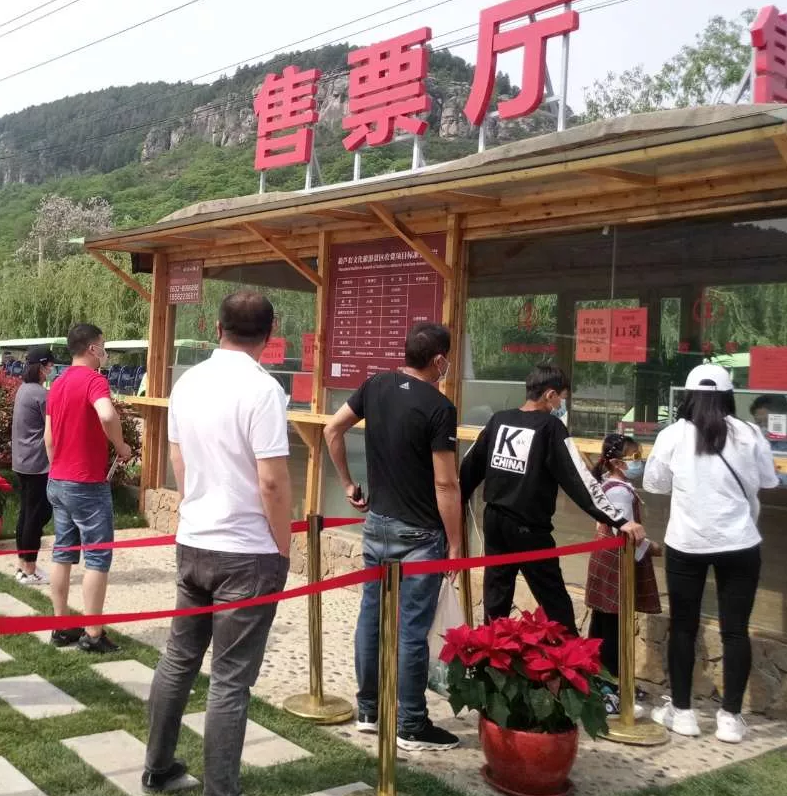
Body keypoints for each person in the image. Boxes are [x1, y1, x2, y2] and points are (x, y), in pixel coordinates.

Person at [143, 292, 292, 796]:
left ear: (216, 327)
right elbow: (272, 482)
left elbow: (179, 460)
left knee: (178, 658)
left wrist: (196, 510)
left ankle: (158, 767)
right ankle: (220, 789)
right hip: (248, 549)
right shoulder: (263, 389)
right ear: (269, 334)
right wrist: (283, 546)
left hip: (195, 538)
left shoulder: (188, 382)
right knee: (230, 679)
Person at [324, 322, 462, 752]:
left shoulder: (375, 386)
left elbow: (332, 430)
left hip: (377, 524)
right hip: (421, 535)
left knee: (371, 617)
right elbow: (446, 484)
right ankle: (411, 723)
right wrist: (456, 542)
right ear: (439, 360)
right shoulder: (440, 408)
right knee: (411, 630)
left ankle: (369, 710)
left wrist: (348, 484)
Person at [644, 364, 779, 743]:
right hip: (740, 544)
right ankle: (730, 718)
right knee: (736, 630)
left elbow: (654, 484)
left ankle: (683, 712)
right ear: (728, 396)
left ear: (688, 396)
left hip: (687, 543)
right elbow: (768, 480)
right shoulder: (750, 433)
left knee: (683, 627)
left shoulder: (673, 435)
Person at [460, 364, 645, 635]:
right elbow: (578, 478)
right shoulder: (550, 427)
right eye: (561, 399)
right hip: (529, 529)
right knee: (555, 602)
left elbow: (469, 467)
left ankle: (490, 655)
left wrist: (454, 503)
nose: (561, 405)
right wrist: (618, 520)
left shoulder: (499, 420)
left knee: (496, 599)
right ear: (549, 395)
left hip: (495, 521)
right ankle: (571, 657)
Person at [45, 324, 132, 653]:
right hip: (87, 484)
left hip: (58, 480)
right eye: (103, 346)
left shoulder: (58, 382)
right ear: (92, 349)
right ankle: (93, 634)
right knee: (97, 557)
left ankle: (60, 626)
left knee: (62, 552)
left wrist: (57, 468)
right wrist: (121, 446)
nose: (105, 352)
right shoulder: (94, 381)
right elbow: (107, 415)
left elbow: (49, 438)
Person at [585, 433, 662, 717]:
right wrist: (651, 547)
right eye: (635, 457)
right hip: (616, 565)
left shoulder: (613, 486)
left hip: (609, 562)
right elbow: (625, 531)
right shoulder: (618, 491)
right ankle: (611, 686)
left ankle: (608, 681)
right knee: (613, 628)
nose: (639, 462)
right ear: (618, 463)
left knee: (605, 623)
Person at [11, 346, 56, 585]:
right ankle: (30, 569)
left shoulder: (23, 390)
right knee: (37, 515)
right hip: (37, 464)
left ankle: (22, 566)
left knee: (27, 513)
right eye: (50, 365)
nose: (52, 369)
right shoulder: (41, 394)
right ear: (41, 367)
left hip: (22, 461)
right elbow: (54, 428)